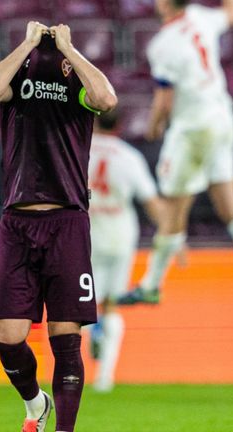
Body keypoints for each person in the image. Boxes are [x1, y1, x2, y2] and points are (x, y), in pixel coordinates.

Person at [0, 22, 117, 432]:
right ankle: (36, 401)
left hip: (67, 220)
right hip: (18, 220)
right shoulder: (17, 74)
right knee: (6, 334)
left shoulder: (80, 82)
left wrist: (70, 50)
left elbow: (107, 98)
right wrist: (27, 43)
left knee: (65, 336)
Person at [117, 0, 233, 314]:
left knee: (174, 208)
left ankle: (151, 285)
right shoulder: (201, 17)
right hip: (222, 119)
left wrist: (152, 128)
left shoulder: (163, 45)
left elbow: (165, 99)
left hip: (193, 131)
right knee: (229, 205)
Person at [87, 110, 162, 392]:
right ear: (120, 125)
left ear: (91, 120)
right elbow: (152, 202)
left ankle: (89, 339)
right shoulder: (129, 157)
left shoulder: (77, 151)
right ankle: (105, 378)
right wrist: (173, 237)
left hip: (86, 237)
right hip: (121, 237)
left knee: (81, 304)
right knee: (111, 305)